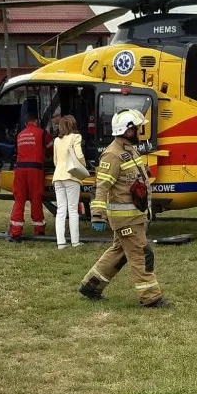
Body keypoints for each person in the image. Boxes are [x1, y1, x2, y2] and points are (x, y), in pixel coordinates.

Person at [78, 109, 168, 308]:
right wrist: (98, 216)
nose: (140, 131)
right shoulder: (113, 154)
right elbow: (102, 186)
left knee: (118, 252)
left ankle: (91, 286)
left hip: (135, 216)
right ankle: (151, 298)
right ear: (128, 131)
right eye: (137, 128)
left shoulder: (129, 149)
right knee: (141, 254)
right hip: (125, 219)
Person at [8, 106, 53, 240]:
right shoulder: (42, 133)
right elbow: (51, 149)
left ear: (26, 123)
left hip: (20, 170)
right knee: (36, 199)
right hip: (35, 170)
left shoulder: (20, 135)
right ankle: (39, 230)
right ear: (37, 121)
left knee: (19, 199)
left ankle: (16, 232)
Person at [52, 115, 87, 249]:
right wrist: (82, 167)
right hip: (71, 176)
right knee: (73, 210)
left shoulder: (56, 140)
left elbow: (55, 160)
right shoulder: (76, 137)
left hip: (58, 176)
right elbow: (79, 155)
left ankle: (61, 242)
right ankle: (75, 241)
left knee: (61, 210)